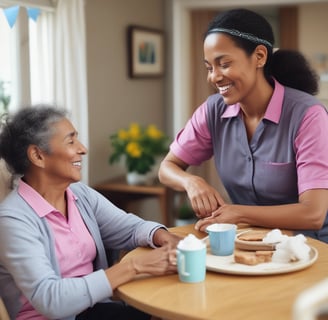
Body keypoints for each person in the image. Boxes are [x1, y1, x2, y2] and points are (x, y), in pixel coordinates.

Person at [158, 8, 328, 243]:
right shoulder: (213, 110)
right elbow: (167, 168)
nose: (214, 77)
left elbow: (313, 214)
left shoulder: (308, 116)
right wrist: (192, 182)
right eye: (209, 67)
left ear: (259, 56)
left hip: (310, 246)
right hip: (247, 242)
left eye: (224, 64)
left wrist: (236, 213)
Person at [0, 105, 181, 320]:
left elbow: (130, 228)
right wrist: (134, 266)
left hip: (93, 311)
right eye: (71, 141)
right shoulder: (13, 219)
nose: (83, 149)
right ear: (38, 155)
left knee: (167, 311)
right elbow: (50, 300)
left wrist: (164, 236)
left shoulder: (79, 194)